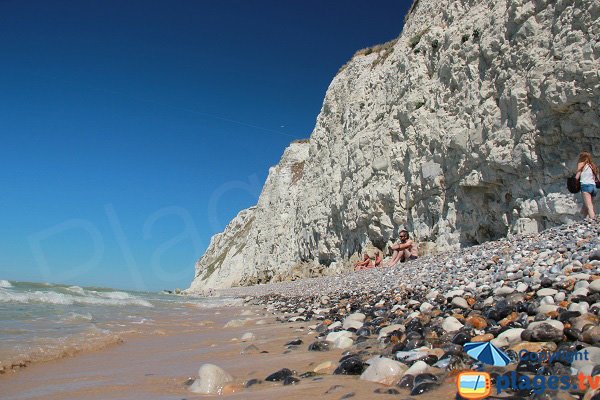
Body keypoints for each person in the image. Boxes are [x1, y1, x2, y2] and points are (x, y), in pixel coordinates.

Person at [575, 151, 599, 220]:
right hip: (593, 187)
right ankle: (584, 219)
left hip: (585, 186)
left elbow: (577, 177)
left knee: (589, 206)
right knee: (587, 204)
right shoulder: (593, 165)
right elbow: (598, 178)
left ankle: (593, 221)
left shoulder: (581, 164)